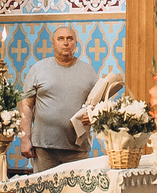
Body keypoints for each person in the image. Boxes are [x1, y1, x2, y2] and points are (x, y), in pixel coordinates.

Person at [21, 26, 100, 172]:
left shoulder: (88, 71)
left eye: (70, 39)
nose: (66, 43)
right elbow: (26, 105)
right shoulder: (38, 69)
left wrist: (93, 116)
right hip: (45, 148)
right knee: (43, 192)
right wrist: (25, 139)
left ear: (76, 43)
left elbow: (97, 104)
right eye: (61, 39)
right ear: (53, 43)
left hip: (77, 148)